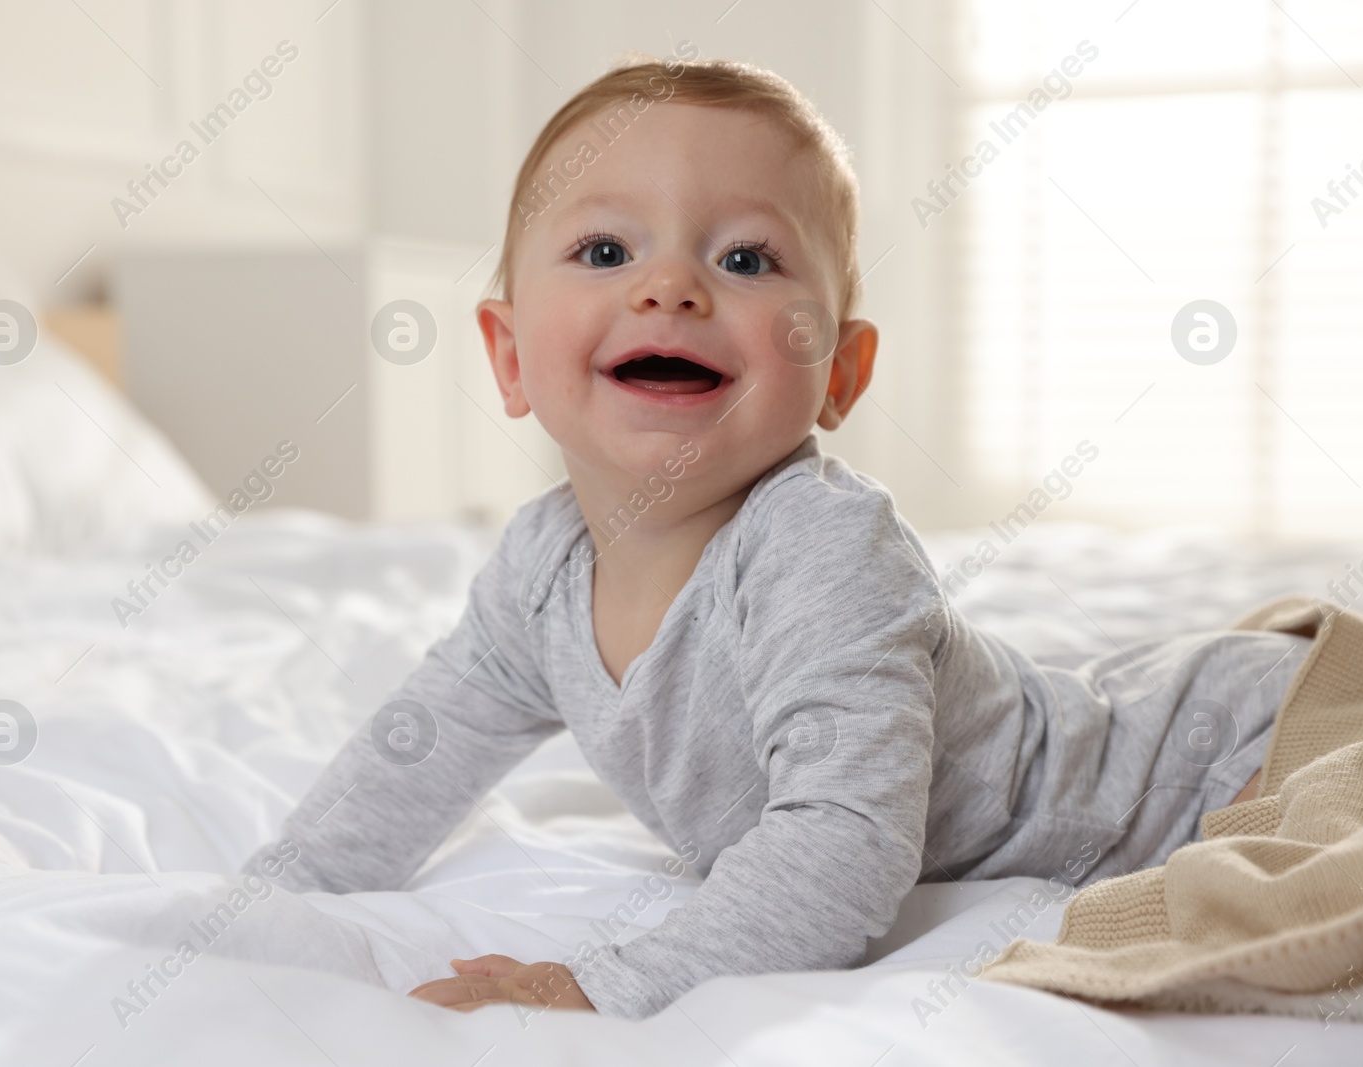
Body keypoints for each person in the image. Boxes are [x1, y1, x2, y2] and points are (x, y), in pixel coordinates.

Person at [244, 56, 1307, 1019]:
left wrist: (610, 985)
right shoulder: (540, 567)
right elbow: (417, 749)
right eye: (605, 248)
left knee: (1345, 865)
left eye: (747, 257)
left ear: (837, 374)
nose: (670, 286)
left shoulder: (819, 545)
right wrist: (267, 900)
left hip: (1212, 760)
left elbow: (844, 842)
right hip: (1183, 733)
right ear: (509, 353)